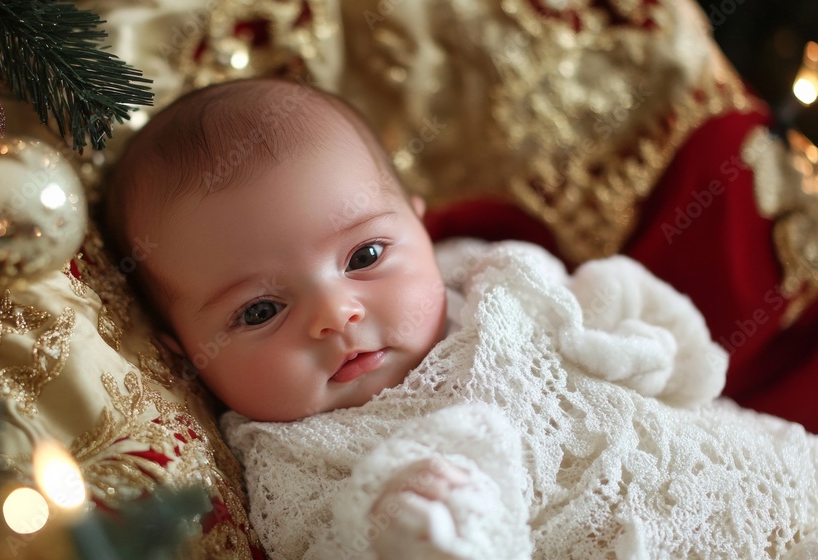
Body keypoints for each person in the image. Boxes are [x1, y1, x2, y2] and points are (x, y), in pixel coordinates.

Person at [106, 78, 818, 560]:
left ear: (417, 226)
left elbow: (600, 306)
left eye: (366, 254)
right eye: (260, 309)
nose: (336, 313)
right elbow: (336, 536)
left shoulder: (479, 272)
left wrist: (659, 346)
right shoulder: (289, 458)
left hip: (754, 471)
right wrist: (426, 530)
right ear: (185, 354)